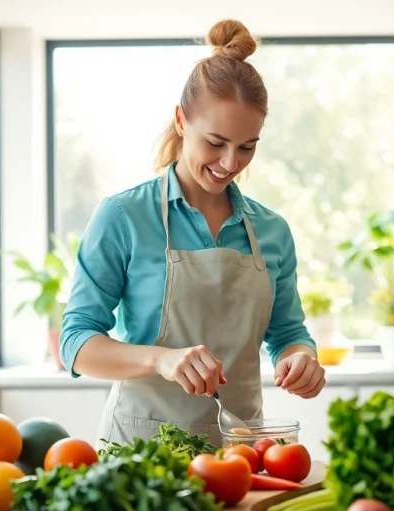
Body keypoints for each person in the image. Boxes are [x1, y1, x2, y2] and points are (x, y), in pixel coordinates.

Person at [59, 19, 326, 447]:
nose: (230, 162)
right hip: (142, 452)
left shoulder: (271, 230)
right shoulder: (123, 216)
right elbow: (75, 342)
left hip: (241, 450)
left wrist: (303, 360)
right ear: (182, 121)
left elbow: (288, 333)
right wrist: (159, 359)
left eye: (247, 146)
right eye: (216, 142)